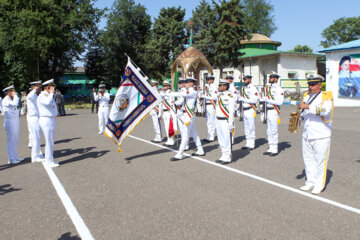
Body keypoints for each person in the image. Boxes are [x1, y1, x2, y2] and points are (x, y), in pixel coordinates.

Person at [298, 74, 334, 195]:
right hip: (307, 134)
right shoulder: (306, 96)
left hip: (321, 135)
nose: (310, 86)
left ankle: (319, 184)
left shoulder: (326, 97)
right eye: (309, 84)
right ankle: (310, 182)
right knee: (308, 160)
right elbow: (304, 113)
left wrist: (308, 106)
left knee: (320, 161)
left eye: (313, 84)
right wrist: (299, 118)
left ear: (320, 85)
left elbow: (325, 111)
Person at [166, 78, 205, 160]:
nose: (185, 84)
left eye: (187, 82)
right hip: (185, 115)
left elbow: (181, 94)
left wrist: (169, 94)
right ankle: (200, 149)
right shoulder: (187, 91)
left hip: (189, 115)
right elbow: (181, 101)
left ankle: (180, 154)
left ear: (191, 83)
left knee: (185, 135)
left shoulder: (192, 92)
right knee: (194, 133)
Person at [38, 79, 59, 167]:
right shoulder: (43, 95)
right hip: (46, 120)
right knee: (49, 141)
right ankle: (49, 161)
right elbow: (47, 102)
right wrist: (51, 93)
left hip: (51, 119)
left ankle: (49, 160)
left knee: (50, 141)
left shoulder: (48, 95)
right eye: (52, 87)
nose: (53, 88)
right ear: (48, 87)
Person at [262, 71, 284, 156]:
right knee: (268, 130)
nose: (269, 79)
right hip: (267, 110)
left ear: (276, 79)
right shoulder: (268, 88)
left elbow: (280, 102)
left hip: (274, 111)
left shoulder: (279, 89)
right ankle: (270, 147)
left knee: (274, 130)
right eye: (269, 77)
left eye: (271, 77)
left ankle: (275, 148)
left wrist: (268, 100)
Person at [214, 79, 235, 164]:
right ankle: (223, 154)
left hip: (225, 121)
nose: (218, 87)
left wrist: (231, 123)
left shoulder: (230, 96)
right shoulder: (219, 96)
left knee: (227, 139)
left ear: (225, 86)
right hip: (219, 120)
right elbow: (217, 109)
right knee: (221, 139)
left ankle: (228, 156)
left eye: (220, 85)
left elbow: (231, 111)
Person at [2, 85, 24, 164]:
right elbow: (15, 104)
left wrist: (14, 96)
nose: (14, 92)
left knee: (15, 140)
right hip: (10, 121)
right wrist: (16, 96)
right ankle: (11, 159)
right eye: (12, 91)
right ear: (8, 92)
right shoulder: (5, 100)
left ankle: (15, 156)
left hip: (15, 120)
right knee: (11, 141)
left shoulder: (11, 99)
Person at [239, 75, 259, 150]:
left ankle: (252, 144)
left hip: (250, 110)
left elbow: (254, 100)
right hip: (244, 110)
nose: (244, 81)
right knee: (246, 128)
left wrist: (244, 100)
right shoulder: (244, 88)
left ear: (250, 80)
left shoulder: (253, 88)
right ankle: (248, 143)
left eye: (246, 80)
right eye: (244, 80)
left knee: (251, 127)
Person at [27, 81, 44, 163]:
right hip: (33, 118)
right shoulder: (31, 95)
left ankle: (36, 154)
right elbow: (30, 96)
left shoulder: (37, 95)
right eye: (39, 87)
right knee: (36, 138)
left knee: (38, 137)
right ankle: (34, 157)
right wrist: (35, 89)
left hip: (37, 117)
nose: (41, 89)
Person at [201, 75, 217, 142]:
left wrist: (205, 97)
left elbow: (215, 97)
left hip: (211, 105)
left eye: (209, 80)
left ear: (212, 80)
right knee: (208, 122)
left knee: (212, 121)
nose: (208, 81)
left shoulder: (214, 87)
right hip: (207, 105)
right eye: (207, 80)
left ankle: (212, 136)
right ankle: (209, 135)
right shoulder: (208, 87)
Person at [161, 80, 176, 146]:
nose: (164, 87)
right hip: (164, 112)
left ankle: (171, 140)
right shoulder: (163, 93)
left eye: (165, 86)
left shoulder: (171, 93)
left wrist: (172, 113)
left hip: (169, 112)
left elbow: (172, 104)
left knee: (170, 127)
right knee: (166, 127)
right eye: (164, 86)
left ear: (168, 86)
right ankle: (168, 139)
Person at [225, 75, 238, 143]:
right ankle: (226, 138)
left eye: (230, 79)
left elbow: (235, 98)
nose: (228, 80)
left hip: (230, 108)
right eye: (227, 78)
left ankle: (231, 138)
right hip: (224, 108)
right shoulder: (225, 87)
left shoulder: (233, 88)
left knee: (231, 123)